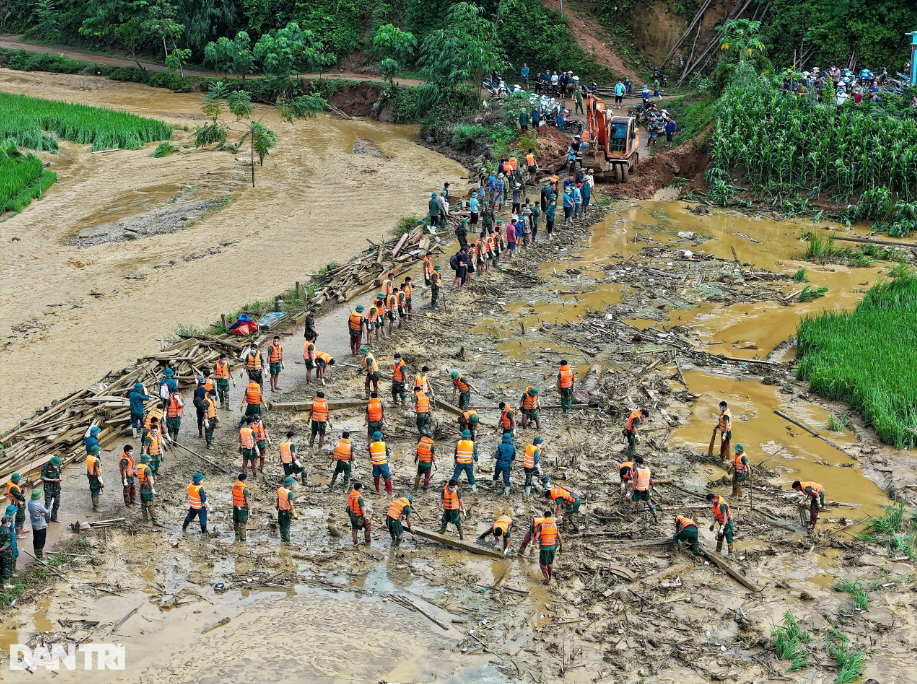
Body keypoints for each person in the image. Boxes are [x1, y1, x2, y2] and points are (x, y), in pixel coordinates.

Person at [519, 511, 563, 583]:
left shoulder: (541, 525)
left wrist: (532, 545)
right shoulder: (554, 525)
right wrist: (561, 547)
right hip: (552, 547)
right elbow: (560, 538)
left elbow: (535, 538)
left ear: (544, 517)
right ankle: (550, 577)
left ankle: (546, 579)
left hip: (544, 547)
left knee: (542, 564)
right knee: (550, 563)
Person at [27, 490, 50, 560]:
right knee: (41, 541)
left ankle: (36, 555)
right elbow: (47, 512)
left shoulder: (29, 502)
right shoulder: (38, 505)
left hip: (34, 524)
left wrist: (40, 514)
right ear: (38, 497)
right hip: (41, 526)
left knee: (36, 540)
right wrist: (51, 505)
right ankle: (40, 558)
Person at [39, 456, 62, 522]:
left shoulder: (58, 466)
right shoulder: (45, 467)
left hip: (57, 488)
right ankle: (46, 520)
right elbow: (42, 477)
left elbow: (60, 472)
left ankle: (54, 517)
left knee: (56, 503)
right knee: (47, 504)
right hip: (48, 488)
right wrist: (52, 480)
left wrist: (60, 477)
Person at [137, 454, 157, 525]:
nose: (149, 462)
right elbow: (150, 480)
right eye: (148, 461)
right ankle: (154, 520)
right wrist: (152, 489)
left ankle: (145, 520)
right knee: (150, 504)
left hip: (142, 488)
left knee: (143, 504)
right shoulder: (147, 469)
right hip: (147, 488)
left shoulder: (139, 467)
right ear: (145, 461)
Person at [231, 472, 251, 541]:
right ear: (243, 480)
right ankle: (243, 539)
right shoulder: (244, 490)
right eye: (246, 479)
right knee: (242, 524)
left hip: (235, 507)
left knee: (236, 521)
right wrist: (250, 510)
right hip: (242, 508)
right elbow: (247, 501)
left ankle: (236, 535)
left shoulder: (234, 487)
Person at [277, 477, 297, 543]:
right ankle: (287, 541)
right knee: (286, 526)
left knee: (281, 525)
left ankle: (282, 539)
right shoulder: (289, 493)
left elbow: (278, 498)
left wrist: (277, 505)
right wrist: (294, 513)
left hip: (280, 511)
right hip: (286, 511)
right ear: (289, 485)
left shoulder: (280, 489)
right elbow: (291, 504)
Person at [0, 515, 13, 590]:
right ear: (7, 522)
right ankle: (6, 584)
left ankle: (1, 580)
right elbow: (6, 545)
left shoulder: (0, 528)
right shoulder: (7, 531)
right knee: (6, 567)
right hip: (6, 553)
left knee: (1, 566)